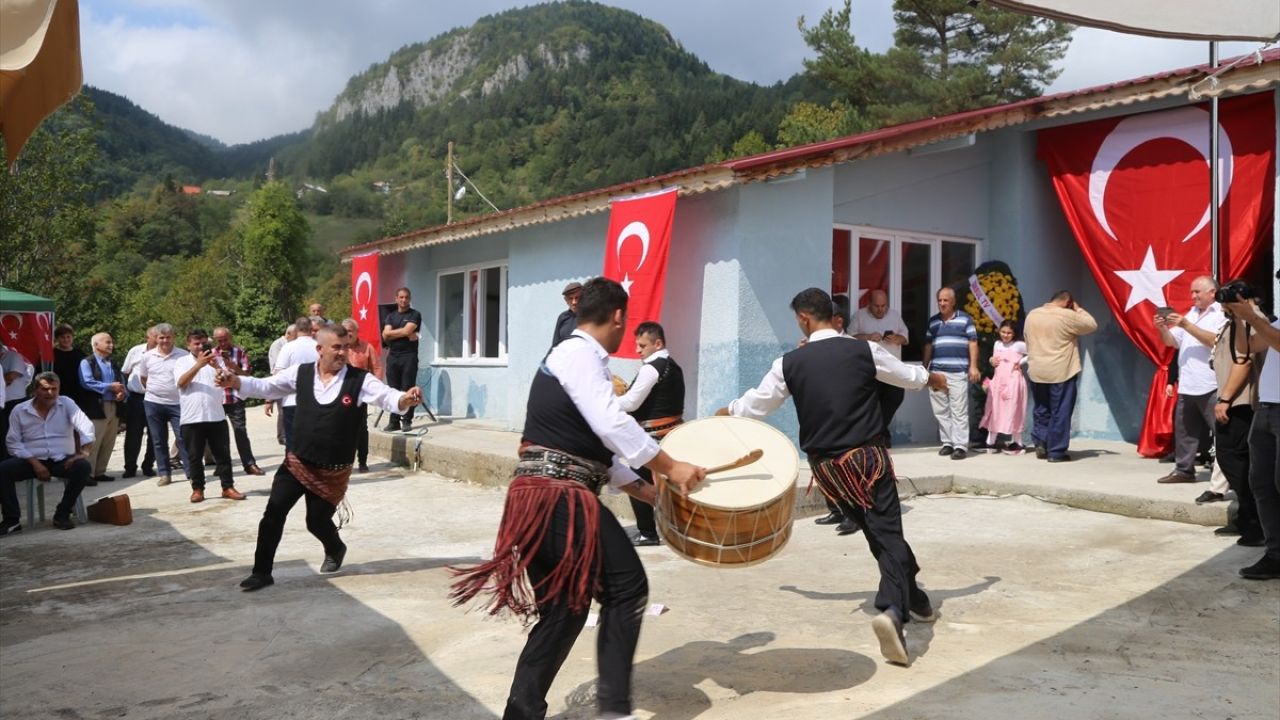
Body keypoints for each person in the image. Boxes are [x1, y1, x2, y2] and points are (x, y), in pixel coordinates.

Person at [449, 277, 705, 720]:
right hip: (559, 496)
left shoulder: (571, 357)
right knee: (627, 588)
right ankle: (614, 710)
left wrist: (647, 488)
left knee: (564, 610)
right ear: (619, 315)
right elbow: (610, 424)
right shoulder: (579, 353)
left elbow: (594, 447)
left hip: (539, 497)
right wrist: (672, 467)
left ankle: (522, 711)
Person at [717, 287, 947, 666]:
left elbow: (757, 404)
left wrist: (726, 411)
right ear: (833, 316)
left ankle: (917, 599)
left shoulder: (788, 363)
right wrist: (932, 378)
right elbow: (906, 375)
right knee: (887, 534)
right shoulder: (864, 350)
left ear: (804, 319)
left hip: (829, 473)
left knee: (877, 532)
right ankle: (893, 611)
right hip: (866, 462)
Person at [219, 323, 424, 591]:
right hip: (297, 462)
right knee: (273, 514)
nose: (342, 353)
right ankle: (261, 573)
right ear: (320, 349)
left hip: (332, 470)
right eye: (336, 347)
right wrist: (235, 381)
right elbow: (266, 387)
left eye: (346, 347)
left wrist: (406, 399)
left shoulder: (359, 380)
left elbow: (387, 397)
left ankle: (335, 548)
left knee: (315, 521)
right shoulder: (301, 374)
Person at [1222, 290, 1280, 580]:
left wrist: (1253, 319)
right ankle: (1275, 555)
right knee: (1262, 484)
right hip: (1267, 408)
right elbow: (1248, 349)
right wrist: (1241, 320)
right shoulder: (1278, 321)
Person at [615, 321, 685, 546]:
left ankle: (647, 533)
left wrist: (605, 401)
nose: (638, 350)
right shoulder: (674, 366)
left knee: (637, 482)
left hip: (651, 436)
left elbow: (632, 403)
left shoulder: (651, 368)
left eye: (642, 345)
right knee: (672, 483)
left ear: (658, 343)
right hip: (672, 433)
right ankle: (678, 530)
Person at [0, 372, 95, 534]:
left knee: (83, 467)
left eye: (54, 389)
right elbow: (13, 443)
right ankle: (12, 520)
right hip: (31, 460)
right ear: (35, 390)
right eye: (45, 389)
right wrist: (35, 464)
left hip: (61, 459)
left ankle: (63, 513)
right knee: (3, 469)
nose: (50, 393)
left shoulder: (66, 404)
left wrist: (84, 452)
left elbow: (86, 426)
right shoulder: (20, 410)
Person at [1204, 294, 1263, 542]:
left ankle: (1254, 523)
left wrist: (1225, 399)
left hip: (1240, 402)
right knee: (1232, 460)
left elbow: (1244, 360)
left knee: (1236, 459)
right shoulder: (1233, 321)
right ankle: (1246, 518)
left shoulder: (1252, 320)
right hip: (1231, 401)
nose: (1223, 304)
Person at [1155, 276, 1226, 483]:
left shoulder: (1221, 313)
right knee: (1185, 431)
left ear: (1212, 292)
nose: (1193, 296)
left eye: (1198, 292)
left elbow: (1215, 341)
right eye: (1192, 292)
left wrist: (1186, 325)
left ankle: (1226, 476)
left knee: (1220, 431)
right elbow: (1172, 342)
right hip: (1187, 384)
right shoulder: (1192, 313)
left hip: (1211, 383)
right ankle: (1184, 470)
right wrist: (1162, 328)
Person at [1023, 291, 1097, 462]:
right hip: (1061, 371)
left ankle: (1041, 442)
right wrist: (1078, 309)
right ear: (1067, 302)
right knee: (1060, 411)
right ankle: (1056, 451)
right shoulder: (1067, 315)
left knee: (1041, 409)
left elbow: (1027, 339)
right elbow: (1091, 324)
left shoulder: (1033, 315)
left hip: (1037, 369)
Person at [175, 329, 247, 504]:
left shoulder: (218, 360)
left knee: (222, 454)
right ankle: (197, 489)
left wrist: (216, 366)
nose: (200, 346)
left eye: (203, 343)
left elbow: (228, 381)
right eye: (196, 343)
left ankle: (227, 487)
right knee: (194, 456)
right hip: (192, 417)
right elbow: (181, 383)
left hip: (216, 414)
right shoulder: (181, 361)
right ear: (188, 345)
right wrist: (199, 364)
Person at [921, 287, 979, 460]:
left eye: (946, 300)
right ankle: (948, 443)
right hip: (937, 373)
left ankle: (960, 446)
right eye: (940, 300)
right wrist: (924, 369)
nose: (942, 303)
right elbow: (928, 346)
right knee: (941, 410)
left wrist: (973, 366)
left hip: (957, 372)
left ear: (953, 302)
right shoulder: (933, 322)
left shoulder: (965, 320)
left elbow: (973, 343)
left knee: (959, 410)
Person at [851, 289, 911, 441]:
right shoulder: (859, 316)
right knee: (872, 403)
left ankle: (879, 431)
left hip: (892, 368)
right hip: (869, 369)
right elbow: (849, 338)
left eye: (884, 306)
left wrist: (898, 338)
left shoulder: (895, 315)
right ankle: (879, 436)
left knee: (896, 397)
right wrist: (868, 337)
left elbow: (906, 337)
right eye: (877, 306)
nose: (881, 309)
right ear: (869, 304)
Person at [139, 323, 191, 487]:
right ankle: (164, 474)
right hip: (154, 403)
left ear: (173, 337)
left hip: (178, 403)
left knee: (183, 438)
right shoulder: (147, 356)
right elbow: (143, 378)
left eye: (168, 337)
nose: (165, 341)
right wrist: (156, 391)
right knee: (158, 440)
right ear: (156, 338)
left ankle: (191, 472)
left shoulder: (183, 355)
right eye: (161, 337)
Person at [211, 327, 263, 476]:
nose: (222, 343)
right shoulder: (211, 355)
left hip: (234, 397)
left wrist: (233, 367)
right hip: (217, 399)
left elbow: (247, 375)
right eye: (219, 341)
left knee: (240, 432)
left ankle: (249, 464)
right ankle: (222, 466)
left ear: (230, 337)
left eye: (225, 340)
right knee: (219, 436)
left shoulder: (239, 352)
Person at [77, 332, 126, 484]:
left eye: (111, 342)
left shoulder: (113, 362)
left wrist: (122, 393)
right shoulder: (87, 362)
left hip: (114, 406)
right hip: (97, 406)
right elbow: (87, 382)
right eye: (107, 342)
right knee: (94, 440)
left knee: (109, 441)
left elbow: (122, 382)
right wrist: (110, 387)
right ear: (96, 345)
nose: (111, 345)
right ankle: (87, 474)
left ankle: (100, 472)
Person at [980, 321, 1030, 454]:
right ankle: (990, 442)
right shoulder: (997, 344)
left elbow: (1035, 352)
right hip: (998, 381)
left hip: (1013, 381)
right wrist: (991, 360)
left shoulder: (1019, 345)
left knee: (1014, 410)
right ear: (999, 331)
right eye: (1003, 332)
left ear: (1014, 333)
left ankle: (1018, 443)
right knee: (994, 409)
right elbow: (995, 359)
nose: (1006, 335)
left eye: (1009, 333)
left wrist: (1021, 362)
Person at [342, 318, 384, 473]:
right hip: (342, 394)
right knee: (342, 429)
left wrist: (375, 389)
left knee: (361, 429)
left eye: (350, 331)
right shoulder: (339, 348)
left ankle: (363, 461)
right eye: (345, 331)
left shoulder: (367, 347)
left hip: (360, 394)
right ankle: (344, 462)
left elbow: (377, 368)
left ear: (356, 332)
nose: (348, 334)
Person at [272, 317, 318, 450]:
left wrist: (270, 398)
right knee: (313, 440)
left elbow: (278, 375)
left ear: (296, 330)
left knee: (292, 443)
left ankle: (294, 469)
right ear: (311, 329)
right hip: (316, 400)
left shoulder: (288, 348)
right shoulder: (319, 346)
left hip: (292, 401)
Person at [381, 287, 422, 432]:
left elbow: (407, 330)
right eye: (401, 297)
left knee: (408, 388)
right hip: (393, 356)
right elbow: (385, 336)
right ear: (396, 299)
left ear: (409, 299)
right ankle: (394, 422)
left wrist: (394, 333)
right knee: (393, 389)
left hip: (408, 356)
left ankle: (407, 421)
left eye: (406, 297)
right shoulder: (390, 316)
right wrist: (403, 333)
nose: (404, 300)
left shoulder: (415, 314)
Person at [120, 328, 157, 478]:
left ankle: (148, 465)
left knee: (155, 434)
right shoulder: (135, 351)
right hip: (136, 398)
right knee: (133, 434)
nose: (157, 339)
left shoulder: (165, 354)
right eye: (154, 336)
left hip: (155, 397)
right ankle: (130, 466)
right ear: (147, 337)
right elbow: (125, 371)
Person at [1, 341, 32, 462]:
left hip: (14, 401)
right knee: (3, 433)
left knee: (13, 433)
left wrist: (2, 378)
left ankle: (14, 460)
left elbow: (11, 377)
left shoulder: (14, 356)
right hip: (3, 402)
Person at [267, 323, 297, 446]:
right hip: (281, 381)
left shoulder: (293, 345)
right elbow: (276, 367)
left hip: (293, 382)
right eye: (296, 335)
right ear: (289, 334)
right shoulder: (278, 345)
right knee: (283, 410)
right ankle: (283, 436)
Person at [550, 281, 582, 349]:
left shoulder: (591, 317)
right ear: (566, 300)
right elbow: (555, 345)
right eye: (570, 298)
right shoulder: (562, 317)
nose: (574, 302)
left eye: (577, 298)